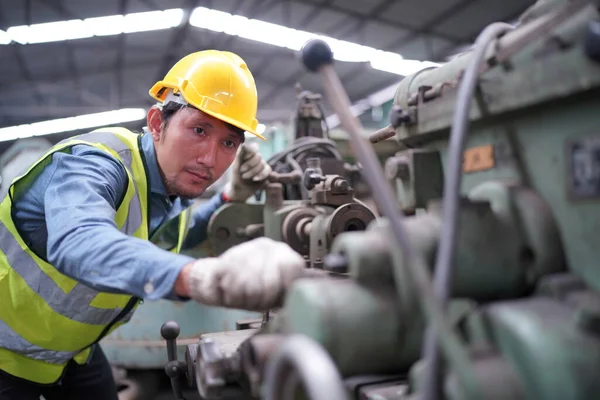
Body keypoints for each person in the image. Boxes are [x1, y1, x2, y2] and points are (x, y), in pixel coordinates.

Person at [0, 50, 311, 399]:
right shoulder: (97, 162)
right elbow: (78, 239)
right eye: (198, 130)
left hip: (74, 351)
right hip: (7, 353)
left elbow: (176, 234)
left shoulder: (166, 189)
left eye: (228, 142)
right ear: (156, 123)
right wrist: (195, 276)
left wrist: (229, 199)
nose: (210, 159)